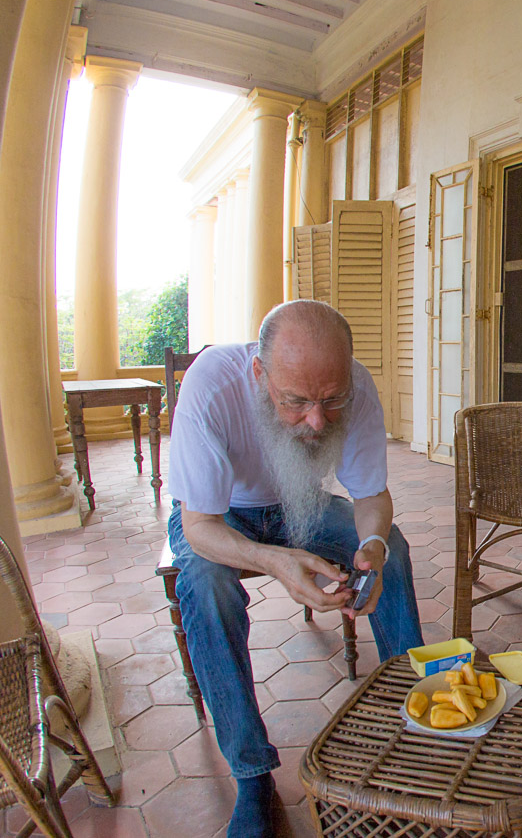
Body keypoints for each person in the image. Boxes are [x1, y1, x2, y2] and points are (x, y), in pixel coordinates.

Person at [166, 300, 423, 837]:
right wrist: (273, 562)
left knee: (394, 548)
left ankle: (418, 715)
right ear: (259, 374)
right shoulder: (210, 385)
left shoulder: (355, 385)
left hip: (297, 505)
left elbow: (371, 496)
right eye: (296, 401)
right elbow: (199, 527)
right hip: (219, 514)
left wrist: (373, 545)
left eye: (331, 400)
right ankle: (252, 775)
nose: (316, 420)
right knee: (205, 584)